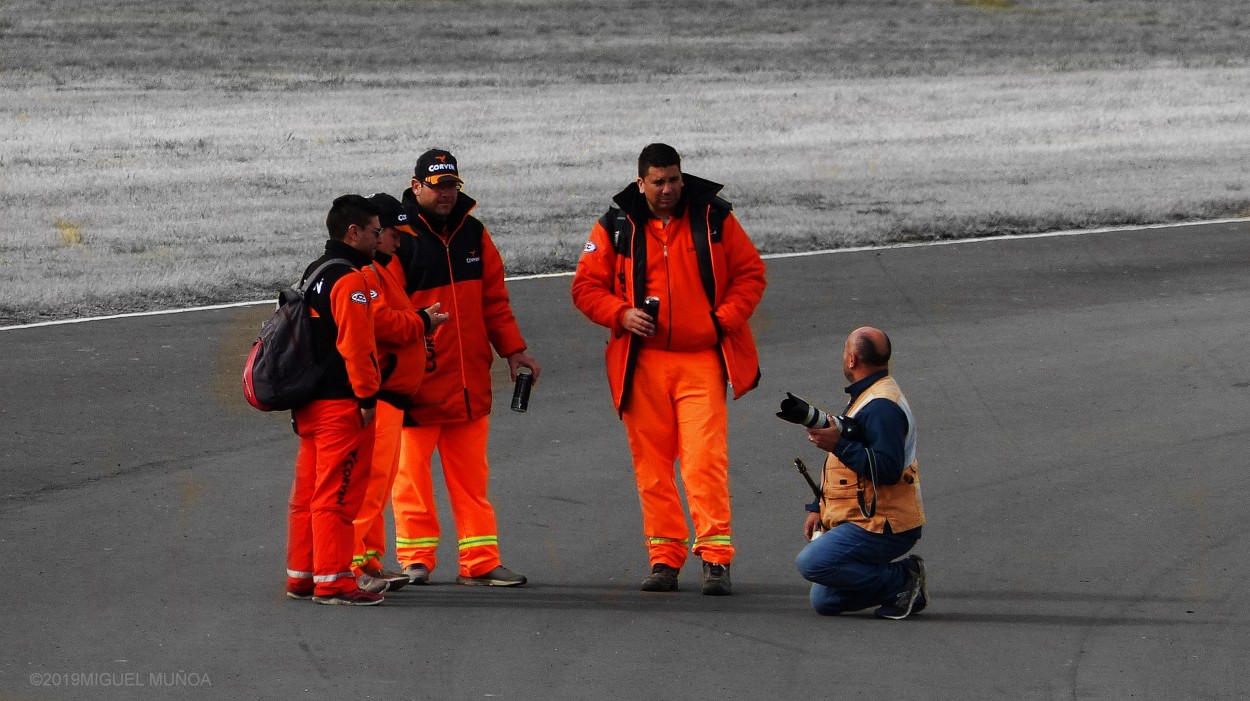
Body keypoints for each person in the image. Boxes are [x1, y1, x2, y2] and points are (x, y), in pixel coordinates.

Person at [571, 143, 767, 595]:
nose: (667, 189)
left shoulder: (714, 217)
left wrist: (722, 321)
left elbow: (751, 274)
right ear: (641, 183)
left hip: (701, 360)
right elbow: (584, 286)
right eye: (658, 182)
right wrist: (620, 314)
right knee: (653, 467)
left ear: (682, 177)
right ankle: (665, 557)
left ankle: (716, 558)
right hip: (643, 363)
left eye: (674, 179)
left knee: (704, 461)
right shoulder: (614, 224)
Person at [387, 149, 540, 587]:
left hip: (470, 381)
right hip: (418, 383)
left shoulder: (475, 233)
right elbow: (390, 310)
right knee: (410, 479)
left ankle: (481, 561)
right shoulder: (398, 239)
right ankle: (415, 559)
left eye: (452, 186)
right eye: (437, 187)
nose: (446, 195)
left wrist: (513, 350)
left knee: (472, 482)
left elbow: (494, 301)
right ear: (416, 187)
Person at [285, 194, 385, 606]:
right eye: (376, 233)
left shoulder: (315, 272)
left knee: (306, 496)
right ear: (354, 232)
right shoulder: (350, 280)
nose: (380, 240)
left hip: (307, 402)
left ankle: (303, 575)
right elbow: (357, 347)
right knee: (338, 496)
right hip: (339, 406)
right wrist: (367, 397)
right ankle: (334, 581)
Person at [349, 193, 449, 593]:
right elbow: (379, 324)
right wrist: (421, 321)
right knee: (371, 486)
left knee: (380, 486)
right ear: (377, 232)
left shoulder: (383, 267)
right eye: (393, 233)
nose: (399, 241)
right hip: (383, 392)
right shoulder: (368, 273)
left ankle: (369, 562)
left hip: (393, 393)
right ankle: (354, 566)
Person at [793, 326, 928, 619]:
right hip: (868, 516)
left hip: (886, 524)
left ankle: (903, 580)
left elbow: (888, 470)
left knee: (812, 564)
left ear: (852, 359)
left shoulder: (881, 407)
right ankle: (900, 584)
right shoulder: (869, 394)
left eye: (845, 351)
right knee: (824, 599)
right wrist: (819, 507)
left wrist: (838, 444)